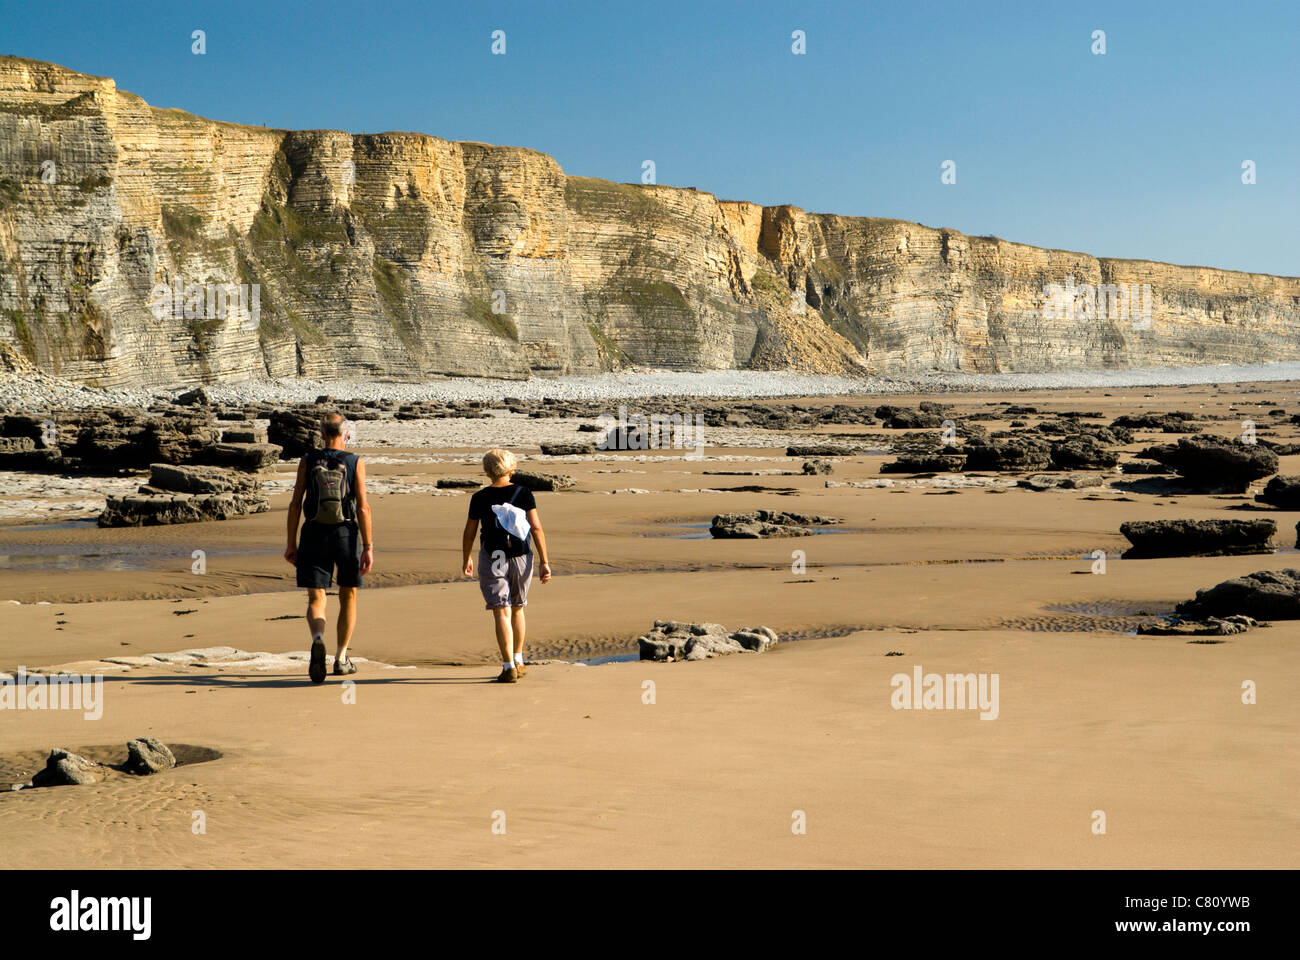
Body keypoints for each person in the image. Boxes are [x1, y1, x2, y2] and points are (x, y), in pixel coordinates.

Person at [284, 412, 374, 684]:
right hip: (345, 534)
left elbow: (295, 503)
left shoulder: (308, 460)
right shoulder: (355, 461)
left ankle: (318, 639)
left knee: (316, 597)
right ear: (346, 434)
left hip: (313, 532)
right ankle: (341, 658)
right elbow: (363, 507)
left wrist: (291, 543)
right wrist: (368, 546)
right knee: (348, 595)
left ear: (321, 434)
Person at [462, 449, 552, 683]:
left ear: (487, 471)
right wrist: (545, 561)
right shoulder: (523, 493)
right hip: (520, 555)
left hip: (494, 554)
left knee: (501, 610)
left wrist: (466, 558)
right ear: (511, 468)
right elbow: (536, 528)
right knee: (518, 607)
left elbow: (469, 532)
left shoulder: (479, 497)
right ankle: (519, 659)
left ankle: (508, 666)